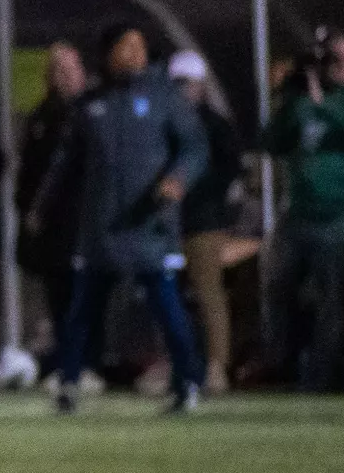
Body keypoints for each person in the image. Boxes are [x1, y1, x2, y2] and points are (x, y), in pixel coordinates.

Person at [39, 25, 208, 414]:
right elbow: (64, 164)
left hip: (150, 225)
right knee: (81, 311)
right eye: (126, 47)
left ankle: (188, 382)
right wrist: (41, 208)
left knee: (168, 307)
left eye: (139, 45)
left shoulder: (166, 98)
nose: (135, 54)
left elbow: (195, 147)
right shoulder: (91, 104)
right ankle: (68, 383)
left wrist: (177, 180)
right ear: (108, 54)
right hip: (100, 229)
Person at [260, 31, 344, 392]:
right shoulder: (301, 103)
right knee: (277, 288)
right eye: (329, 59)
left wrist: (323, 104)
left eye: (341, 58)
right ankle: (279, 366)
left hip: (337, 219)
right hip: (297, 216)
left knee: (331, 302)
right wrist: (289, 94)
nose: (335, 66)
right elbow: (270, 142)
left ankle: (319, 380)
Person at [169, 51, 244, 394]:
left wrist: (194, 193)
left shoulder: (214, 125)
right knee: (167, 295)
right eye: (177, 83)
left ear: (200, 85)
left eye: (188, 83)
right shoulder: (165, 123)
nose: (183, 90)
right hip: (170, 221)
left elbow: (229, 169)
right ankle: (176, 366)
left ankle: (216, 367)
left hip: (203, 221)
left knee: (208, 292)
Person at [17, 41, 92, 379]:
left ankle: (87, 364)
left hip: (84, 221)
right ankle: (67, 364)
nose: (62, 76)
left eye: (69, 68)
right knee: (57, 296)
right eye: (57, 69)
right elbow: (30, 170)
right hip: (51, 226)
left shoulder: (91, 112)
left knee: (84, 298)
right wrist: (27, 207)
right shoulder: (42, 115)